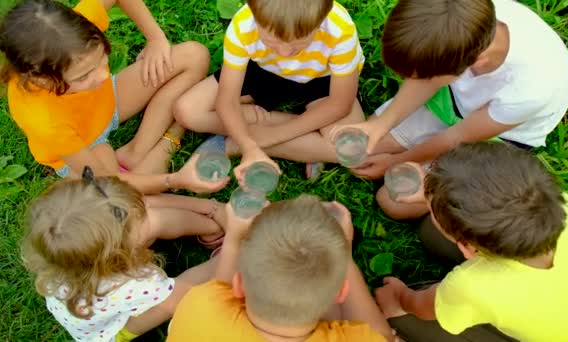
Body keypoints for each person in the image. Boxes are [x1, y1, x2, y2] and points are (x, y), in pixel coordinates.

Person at [331, 0, 568, 219]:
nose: (412, 80)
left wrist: (398, 160)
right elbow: (428, 79)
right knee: (364, 149)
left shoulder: (531, 88)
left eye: (421, 75)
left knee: (392, 201)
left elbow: (457, 137)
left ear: (471, 65)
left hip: (495, 136)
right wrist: (380, 125)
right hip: (451, 101)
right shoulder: (459, 21)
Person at [374, 142, 568, 342]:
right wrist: (436, 193)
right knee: (430, 232)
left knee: (402, 317)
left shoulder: (471, 286)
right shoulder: (561, 207)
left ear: (469, 248)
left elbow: (421, 307)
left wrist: (399, 298)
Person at [0, 0, 225, 194]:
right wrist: (172, 181)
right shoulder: (43, 120)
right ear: (42, 80)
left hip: (109, 101)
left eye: (102, 58)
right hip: (87, 145)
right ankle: (173, 135)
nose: (103, 74)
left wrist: (155, 38)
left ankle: (136, 152)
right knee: (118, 194)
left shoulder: (70, 36)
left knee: (194, 56)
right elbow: (104, 179)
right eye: (84, 75)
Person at [21, 168, 229, 341]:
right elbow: (183, 289)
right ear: (119, 254)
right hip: (109, 331)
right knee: (168, 304)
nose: (147, 211)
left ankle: (209, 231)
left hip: (86, 299)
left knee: (155, 221)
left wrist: (210, 208)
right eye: (140, 219)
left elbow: (143, 205)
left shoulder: (62, 252)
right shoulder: (134, 285)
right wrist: (233, 250)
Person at [173, 0, 365, 180]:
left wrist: (271, 136)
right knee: (188, 110)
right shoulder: (244, 24)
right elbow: (227, 100)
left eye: (297, 45)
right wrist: (249, 146)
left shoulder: (339, 29)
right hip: (264, 70)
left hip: (322, 80)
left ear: (320, 22)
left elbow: (340, 103)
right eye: (271, 41)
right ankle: (310, 143)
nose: (284, 53)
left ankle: (232, 142)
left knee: (352, 148)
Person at [166, 195, 394, 341]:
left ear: (238, 284)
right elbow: (382, 336)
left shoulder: (200, 308)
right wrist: (344, 256)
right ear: (341, 293)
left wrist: (234, 238)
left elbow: (218, 289)